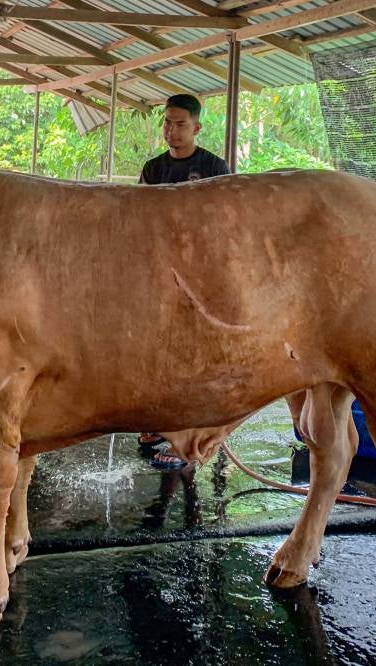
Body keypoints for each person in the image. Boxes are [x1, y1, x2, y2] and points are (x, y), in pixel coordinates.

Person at [137, 93, 230, 470]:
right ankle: (157, 424)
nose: (172, 131)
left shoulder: (213, 167)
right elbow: (138, 217)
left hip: (200, 273)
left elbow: (225, 220)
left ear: (196, 128)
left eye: (180, 124)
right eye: (167, 123)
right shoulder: (154, 168)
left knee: (194, 352)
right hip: (161, 272)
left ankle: (193, 432)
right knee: (158, 348)